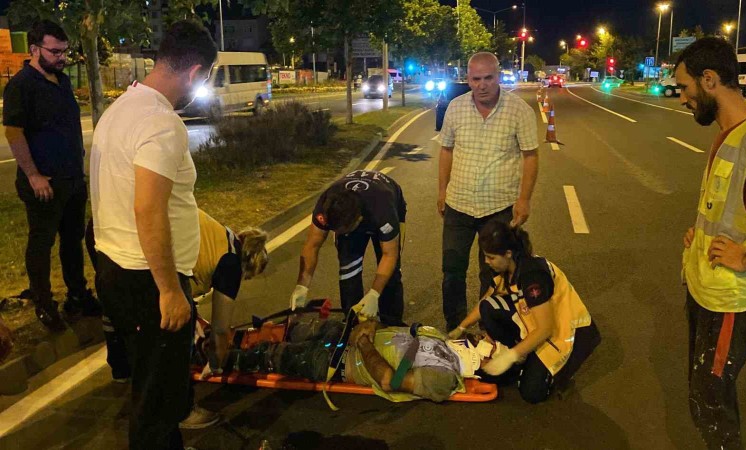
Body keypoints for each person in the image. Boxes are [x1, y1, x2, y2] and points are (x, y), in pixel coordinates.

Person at [89, 21, 217, 450]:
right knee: (155, 407)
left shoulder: (121, 107)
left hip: (115, 266)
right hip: (148, 280)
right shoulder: (161, 122)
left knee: (150, 386)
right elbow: (148, 208)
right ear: (197, 73)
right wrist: (168, 290)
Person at [87, 209, 269, 428]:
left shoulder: (220, 233)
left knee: (116, 307)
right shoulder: (230, 263)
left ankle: (121, 369)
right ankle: (180, 410)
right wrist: (215, 362)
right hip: (138, 240)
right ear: (247, 265)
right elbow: (221, 329)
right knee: (174, 333)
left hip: (106, 226)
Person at [677, 37, 746, 450]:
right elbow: (728, 208)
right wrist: (700, 236)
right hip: (704, 288)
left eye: (685, 88)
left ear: (709, 80)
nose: (681, 99)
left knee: (712, 398)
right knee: (702, 393)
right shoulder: (730, 134)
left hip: (731, 298)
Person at [2, 20, 100, 332]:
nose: (61, 57)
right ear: (34, 49)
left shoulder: (62, 81)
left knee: (72, 241)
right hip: (43, 183)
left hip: (71, 180)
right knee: (41, 243)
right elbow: (14, 132)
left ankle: (77, 294)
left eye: (64, 51)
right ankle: (44, 305)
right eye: (54, 51)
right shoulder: (21, 85)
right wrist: (33, 175)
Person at [438, 52, 539, 332]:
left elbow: (530, 156)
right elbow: (446, 150)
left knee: (492, 274)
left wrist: (524, 199)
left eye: (488, 78)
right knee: (452, 271)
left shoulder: (519, 110)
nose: (482, 85)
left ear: (499, 76)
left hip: (498, 207)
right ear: (468, 79)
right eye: (476, 78)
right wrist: (441, 191)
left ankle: (488, 331)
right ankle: (455, 327)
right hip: (458, 204)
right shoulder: (455, 108)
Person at [448, 221, 600, 403]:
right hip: (537, 325)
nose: (486, 262)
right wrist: (461, 327)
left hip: (565, 334)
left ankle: (549, 372)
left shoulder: (532, 277)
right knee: (489, 307)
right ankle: (523, 356)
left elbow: (545, 329)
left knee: (531, 393)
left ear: (508, 254)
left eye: (490, 257)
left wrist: (510, 357)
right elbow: (485, 302)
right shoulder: (510, 267)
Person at [235, 317, 480, 403]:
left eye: (492, 345)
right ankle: (237, 339)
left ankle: (220, 356)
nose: (484, 336)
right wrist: (371, 326)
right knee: (293, 329)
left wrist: (364, 344)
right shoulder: (444, 341)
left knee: (272, 355)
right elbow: (400, 334)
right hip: (344, 336)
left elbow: (390, 381)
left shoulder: (444, 378)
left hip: (337, 363)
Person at [290, 170, 407, 325]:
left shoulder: (383, 209)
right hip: (349, 214)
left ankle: (392, 322)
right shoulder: (326, 203)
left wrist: (374, 294)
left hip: (386, 202)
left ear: (358, 221)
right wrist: (301, 286)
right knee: (348, 271)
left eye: (340, 231)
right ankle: (353, 323)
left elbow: (389, 255)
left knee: (390, 276)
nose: (335, 234)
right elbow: (312, 245)